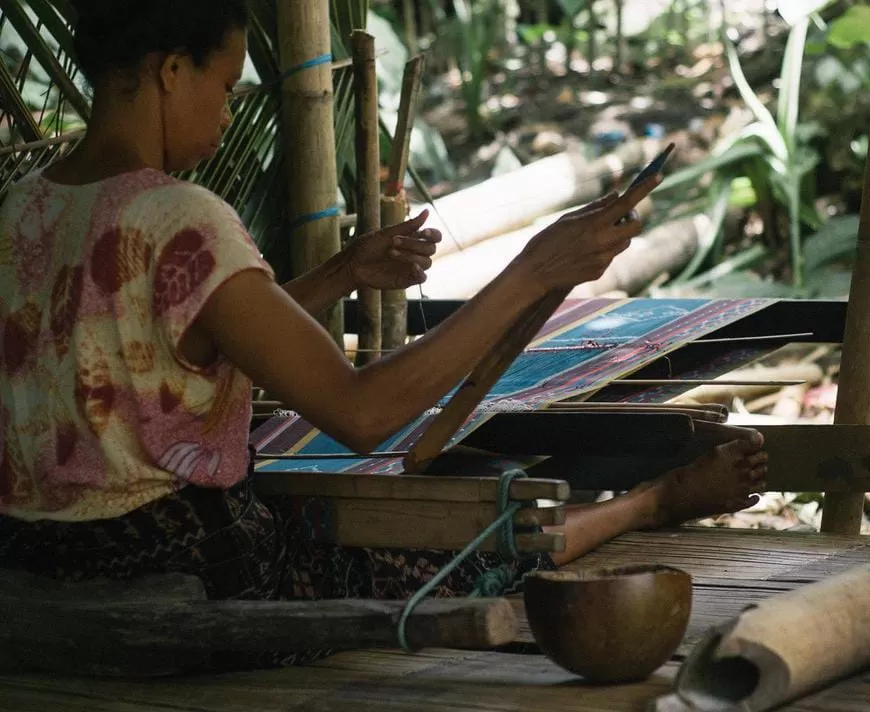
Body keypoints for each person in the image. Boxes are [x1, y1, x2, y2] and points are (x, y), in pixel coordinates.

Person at [0, 0, 767, 670]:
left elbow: (155, 340)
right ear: (171, 71)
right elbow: (362, 415)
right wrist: (533, 271)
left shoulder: (23, 211)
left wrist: (339, 275)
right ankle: (655, 502)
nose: (227, 113)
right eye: (225, 87)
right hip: (198, 572)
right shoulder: (178, 218)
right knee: (462, 551)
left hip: (39, 566)